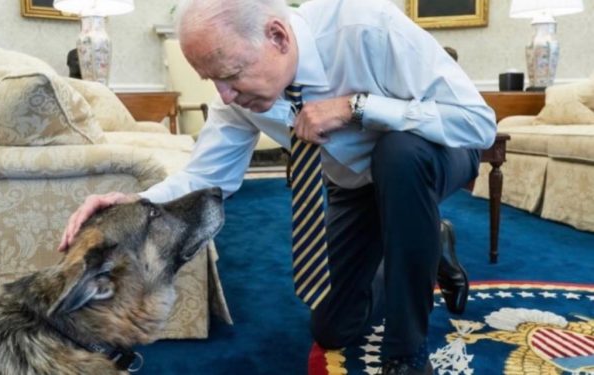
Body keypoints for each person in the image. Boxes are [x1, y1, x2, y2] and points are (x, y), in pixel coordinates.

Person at [58, 0, 496, 373]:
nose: (225, 95)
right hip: (354, 185)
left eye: (230, 75)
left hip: (434, 153)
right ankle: (428, 239)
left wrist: (359, 108)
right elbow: (209, 177)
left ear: (278, 38)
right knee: (333, 328)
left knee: (398, 154)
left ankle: (406, 353)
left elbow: (478, 125)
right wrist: (138, 202)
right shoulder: (238, 97)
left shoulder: (366, 27)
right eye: (212, 80)